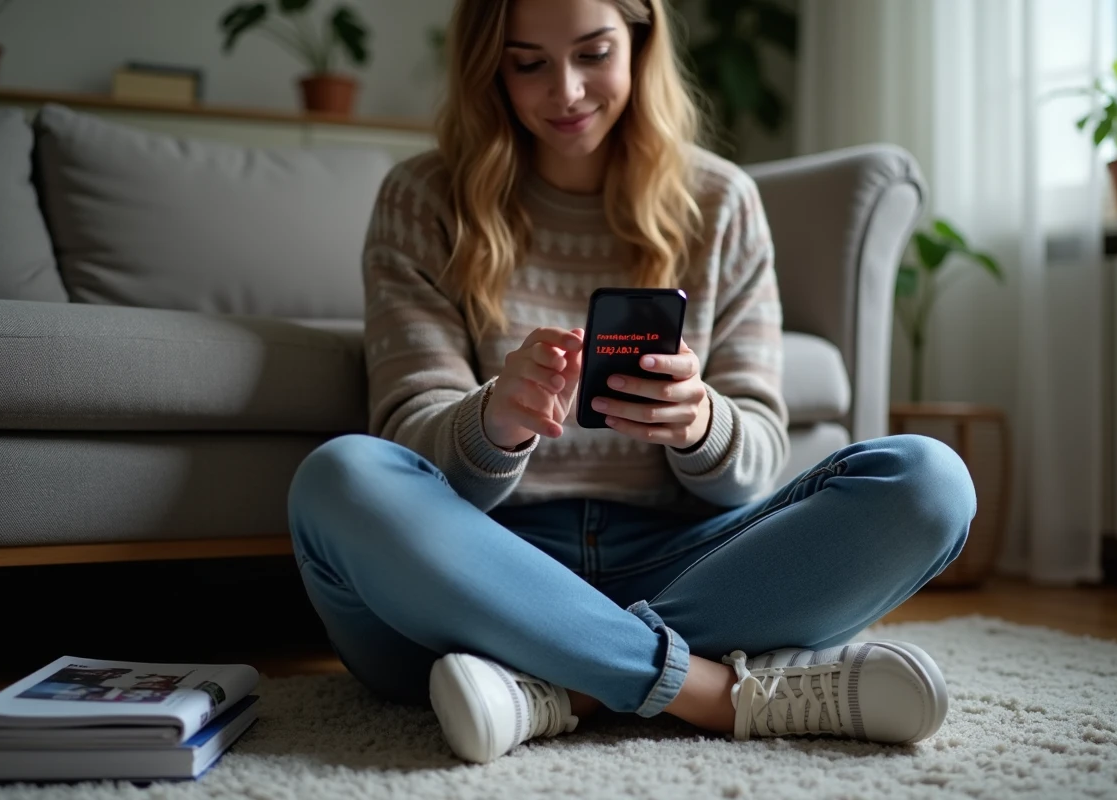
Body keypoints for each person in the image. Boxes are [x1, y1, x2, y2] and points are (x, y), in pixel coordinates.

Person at [287, 0, 976, 765]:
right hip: (480, 570)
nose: (568, 92)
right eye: (529, 63)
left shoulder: (720, 202)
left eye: (594, 53)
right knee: (338, 477)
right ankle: (713, 693)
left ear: (641, 44)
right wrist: (495, 422)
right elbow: (407, 429)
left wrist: (703, 423)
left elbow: (756, 455)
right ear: (489, 65)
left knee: (930, 482)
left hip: (680, 557)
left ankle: (556, 686)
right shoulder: (420, 201)